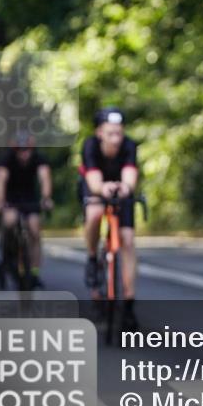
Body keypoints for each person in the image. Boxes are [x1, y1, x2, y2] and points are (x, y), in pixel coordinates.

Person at [79, 106, 140, 330]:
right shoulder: (90, 146)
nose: (116, 138)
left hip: (119, 191)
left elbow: (130, 178)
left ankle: (129, 301)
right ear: (99, 133)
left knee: (127, 239)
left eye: (119, 133)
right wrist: (104, 188)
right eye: (110, 133)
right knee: (94, 212)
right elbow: (94, 182)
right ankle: (93, 258)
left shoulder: (129, 146)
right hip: (95, 189)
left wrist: (123, 188)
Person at [0, 132, 54, 288]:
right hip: (11, 199)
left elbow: (45, 178)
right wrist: (0, 201)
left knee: (35, 230)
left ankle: (34, 272)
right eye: (20, 150)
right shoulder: (6, 159)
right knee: (9, 222)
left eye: (27, 150)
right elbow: (1, 181)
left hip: (30, 199)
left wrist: (46, 198)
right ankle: (7, 251)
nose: (24, 153)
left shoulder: (39, 158)